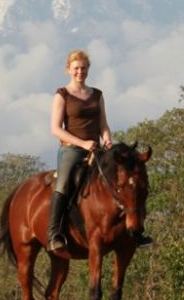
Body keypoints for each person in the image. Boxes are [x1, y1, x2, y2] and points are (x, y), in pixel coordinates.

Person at [47, 49, 153, 251]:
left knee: (126, 182)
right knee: (63, 184)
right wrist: (83, 143)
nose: (80, 72)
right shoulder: (62, 95)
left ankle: (135, 232)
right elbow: (55, 129)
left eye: (84, 68)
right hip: (72, 150)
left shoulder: (97, 94)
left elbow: (103, 123)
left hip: (97, 149)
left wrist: (107, 140)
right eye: (76, 68)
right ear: (68, 69)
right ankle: (54, 233)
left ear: (88, 70)